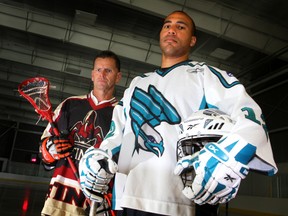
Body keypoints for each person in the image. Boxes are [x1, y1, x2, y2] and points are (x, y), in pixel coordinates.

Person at [78, 11, 278, 216]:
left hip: (182, 203)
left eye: (180, 26)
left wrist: (231, 154)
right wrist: (100, 157)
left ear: (192, 40)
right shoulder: (137, 83)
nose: (171, 29)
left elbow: (251, 116)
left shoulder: (205, 75)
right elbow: (117, 133)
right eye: (167, 25)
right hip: (128, 199)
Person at [39, 50, 122, 216]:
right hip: (59, 202)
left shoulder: (123, 113)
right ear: (92, 75)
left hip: (97, 204)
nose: (102, 74)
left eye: (108, 70)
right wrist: (49, 150)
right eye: (98, 70)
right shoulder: (69, 105)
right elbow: (43, 151)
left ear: (118, 77)